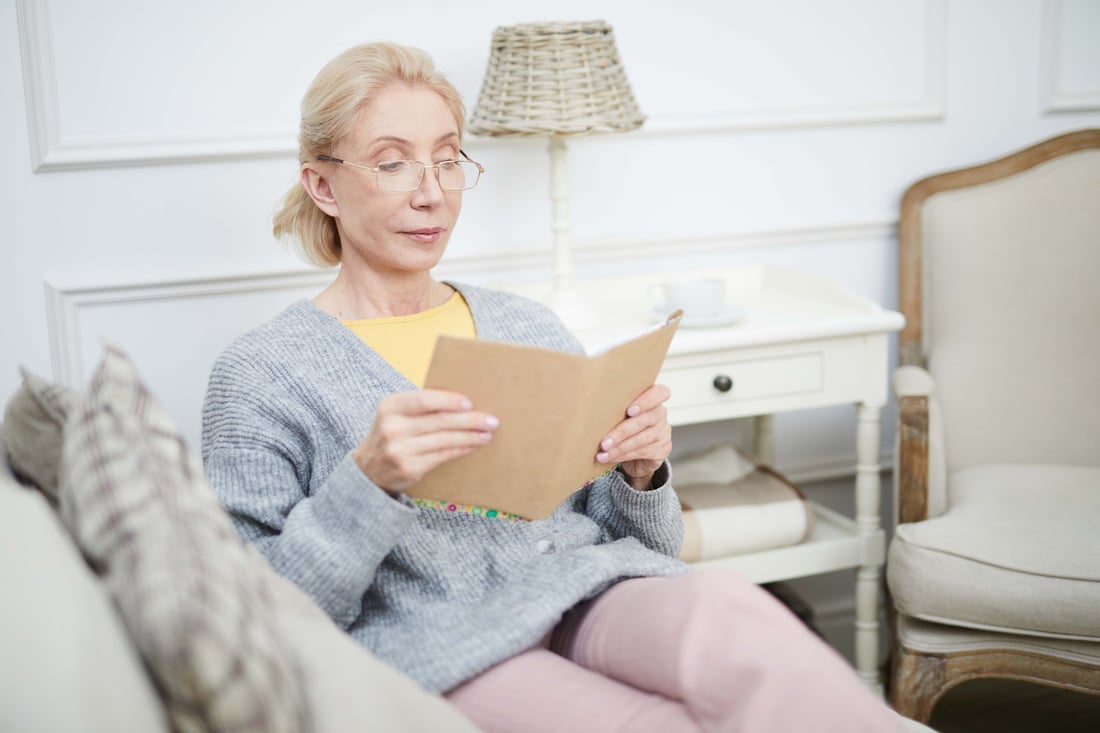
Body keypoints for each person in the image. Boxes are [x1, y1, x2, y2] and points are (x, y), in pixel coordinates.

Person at [201, 42, 906, 732]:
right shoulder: (262, 373)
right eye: (393, 163)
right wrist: (370, 479)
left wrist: (641, 472)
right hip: (441, 639)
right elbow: (266, 618)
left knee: (739, 616)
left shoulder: (525, 324)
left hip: (587, 589)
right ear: (322, 185)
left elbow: (650, 548)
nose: (431, 191)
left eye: (448, 160)